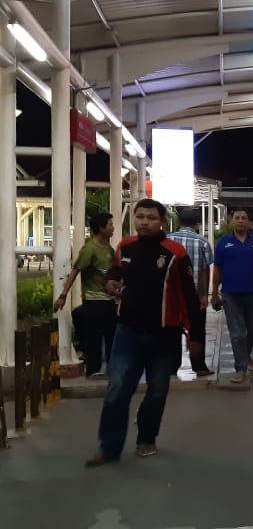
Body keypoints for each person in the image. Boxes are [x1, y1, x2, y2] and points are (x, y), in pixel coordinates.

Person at [85, 199, 198, 467]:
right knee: (117, 391)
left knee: (157, 391)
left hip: (164, 336)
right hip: (127, 334)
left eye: (150, 217)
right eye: (140, 217)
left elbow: (190, 298)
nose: (144, 222)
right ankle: (109, 448)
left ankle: (147, 437)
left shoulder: (175, 253)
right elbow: (112, 277)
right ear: (133, 219)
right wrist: (112, 285)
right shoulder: (124, 247)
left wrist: (196, 338)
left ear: (161, 221)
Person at [211, 209, 253, 384]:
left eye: (244, 218)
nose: (240, 221)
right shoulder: (223, 243)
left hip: (252, 294)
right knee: (237, 334)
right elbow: (217, 270)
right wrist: (214, 293)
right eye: (237, 218)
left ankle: (245, 355)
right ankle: (240, 368)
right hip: (230, 296)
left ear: (248, 223)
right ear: (232, 222)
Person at [54, 213, 116, 379]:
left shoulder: (108, 248)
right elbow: (75, 271)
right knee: (94, 336)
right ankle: (93, 369)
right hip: (93, 301)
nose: (113, 228)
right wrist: (63, 295)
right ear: (101, 228)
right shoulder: (89, 249)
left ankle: (112, 367)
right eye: (110, 224)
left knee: (112, 335)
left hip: (109, 300)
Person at [168, 209, 215, 376]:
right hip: (194, 296)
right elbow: (204, 270)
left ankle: (171, 367)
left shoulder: (168, 240)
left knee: (172, 332)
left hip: (171, 297)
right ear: (197, 224)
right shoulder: (202, 242)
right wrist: (204, 295)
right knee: (197, 332)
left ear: (179, 222)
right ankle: (199, 367)